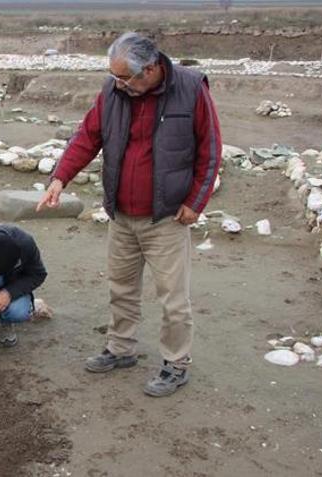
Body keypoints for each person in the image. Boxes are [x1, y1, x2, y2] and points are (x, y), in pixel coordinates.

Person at [37, 32, 221, 397]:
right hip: (122, 214)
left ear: (151, 69)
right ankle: (121, 349)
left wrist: (195, 203)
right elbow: (87, 137)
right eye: (114, 76)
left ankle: (175, 364)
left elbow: (210, 151)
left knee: (173, 298)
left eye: (125, 77)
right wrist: (59, 178)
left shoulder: (190, 88)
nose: (117, 83)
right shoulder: (113, 91)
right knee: (121, 287)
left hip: (167, 217)